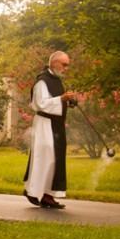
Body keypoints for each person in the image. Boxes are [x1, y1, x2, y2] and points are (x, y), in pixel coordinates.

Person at [24, 51, 78, 209]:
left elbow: (53, 102)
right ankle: (33, 191)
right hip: (45, 124)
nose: (66, 68)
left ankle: (48, 195)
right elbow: (40, 103)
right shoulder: (43, 81)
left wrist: (68, 102)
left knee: (54, 160)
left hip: (56, 125)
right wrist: (61, 99)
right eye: (64, 64)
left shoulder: (56, 80)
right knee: (44, 157)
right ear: (54, 63)